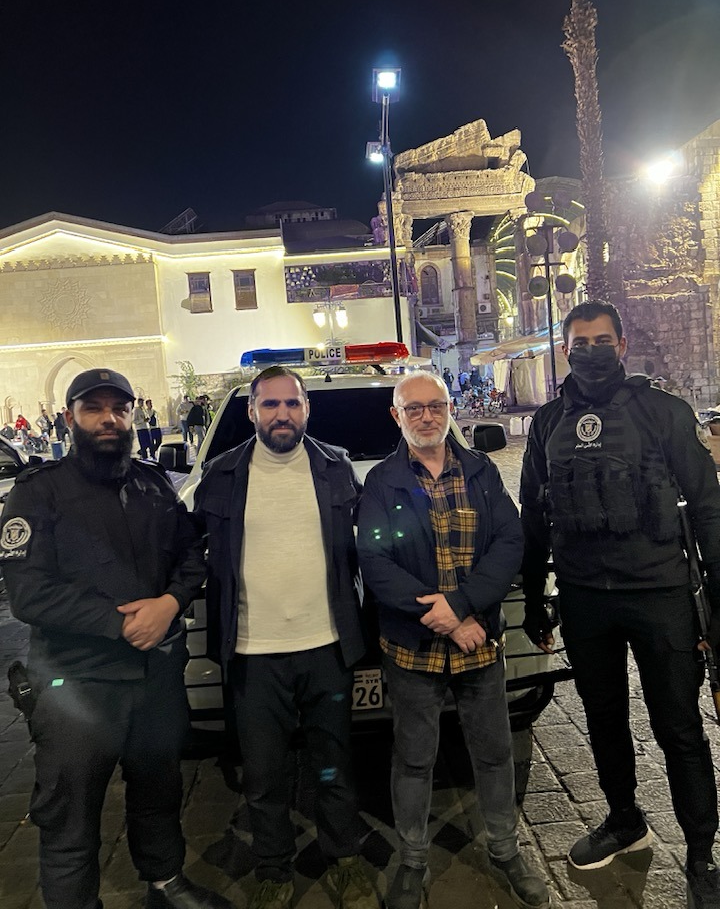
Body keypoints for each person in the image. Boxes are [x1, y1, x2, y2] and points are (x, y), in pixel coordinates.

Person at [0, 368, 234, 909]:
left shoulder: (153, 485)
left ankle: (165, 882)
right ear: (70, 418)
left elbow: (191, 555)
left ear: (132, 415)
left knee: (159, 791)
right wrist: (122, 622)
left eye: (119, 408)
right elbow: (30, 594)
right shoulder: (39, 493)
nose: (109, 419)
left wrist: (171, 602)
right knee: (70, 813)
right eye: (94, 408)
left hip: (154, 681)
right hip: (76, 686)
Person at [520, 301, 720, 907]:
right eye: (580, 343)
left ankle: (702, 850)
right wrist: (535, 598)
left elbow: (708, 507)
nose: (591, 351)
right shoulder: (548, 422)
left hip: (660, 595)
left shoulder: (663, 412)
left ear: (623, 344)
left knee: (679, 725)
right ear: (565, 349)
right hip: (584, 600)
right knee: (603, 719)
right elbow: (534, 514)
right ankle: (623, 818)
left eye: (602, 340)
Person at [356, 371, 550, 909]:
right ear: (397, 416)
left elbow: (510, 541)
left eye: (434, 405)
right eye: (413, 408)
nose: (425, 415)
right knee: (414, 757)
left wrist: (462, 609)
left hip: (478, 642)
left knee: (492, 752)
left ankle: (506, 848)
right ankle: (413, 859)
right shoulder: (381, 482)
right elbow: (375, 560)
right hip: (414, 648)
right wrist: (442, 618)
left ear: (449, 410)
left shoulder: (482, 471)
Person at [194, 365, 379, 909]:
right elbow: (189, 552)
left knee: (334, 766)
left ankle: (343, 857)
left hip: (326, 647)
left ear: (306, 410)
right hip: (252, 652)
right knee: (264, 774)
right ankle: (273, 868)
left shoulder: (337, 469)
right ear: (252, 412)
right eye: (269, 405)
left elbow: (375, 542)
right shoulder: (222, 475)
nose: (282, 414)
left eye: (291, 404)